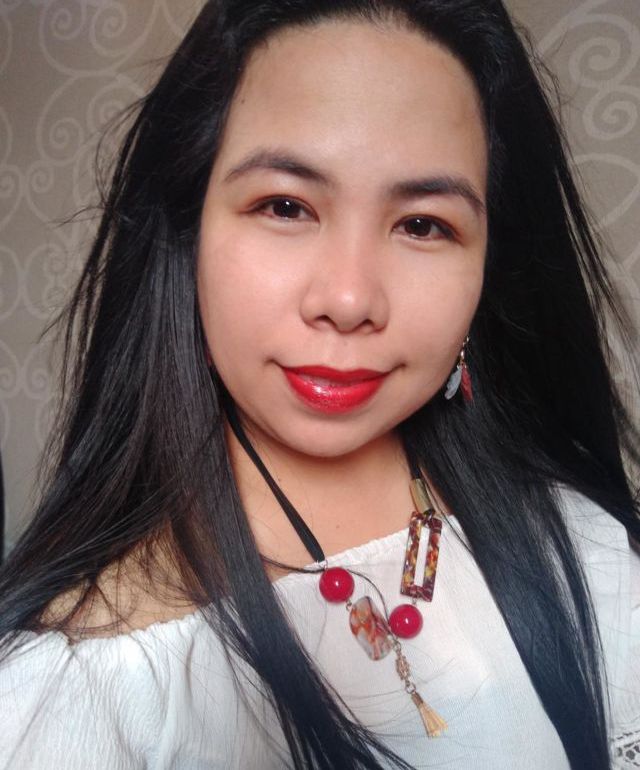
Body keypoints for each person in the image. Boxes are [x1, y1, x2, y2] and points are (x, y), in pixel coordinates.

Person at [0, 1, 638, 768]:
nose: (349, 298)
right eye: (285, 206)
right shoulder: (85, 688)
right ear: (190, 238)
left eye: (423, 224)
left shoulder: (588, 542)